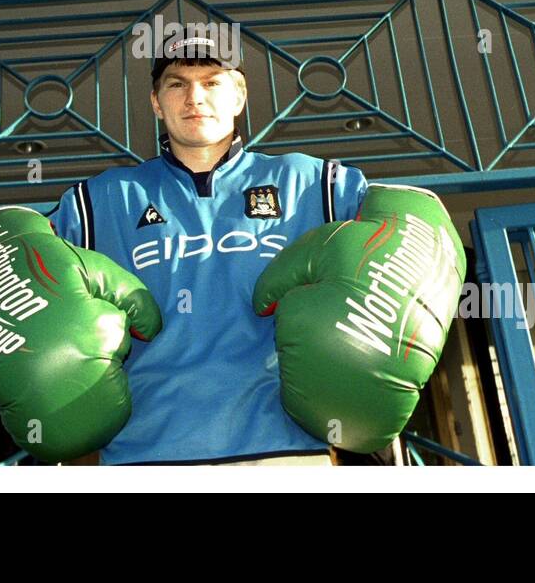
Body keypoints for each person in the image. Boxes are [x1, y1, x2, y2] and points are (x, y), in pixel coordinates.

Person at [48, 34, 367, 465]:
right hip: (144, 453)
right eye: (177, 84)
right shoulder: (101, 199)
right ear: (157, 103)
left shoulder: (310, 182)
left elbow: (412, 229)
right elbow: (24, 269)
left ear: (239, 96)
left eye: (213, 82)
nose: (194, 97)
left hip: (283, 448)